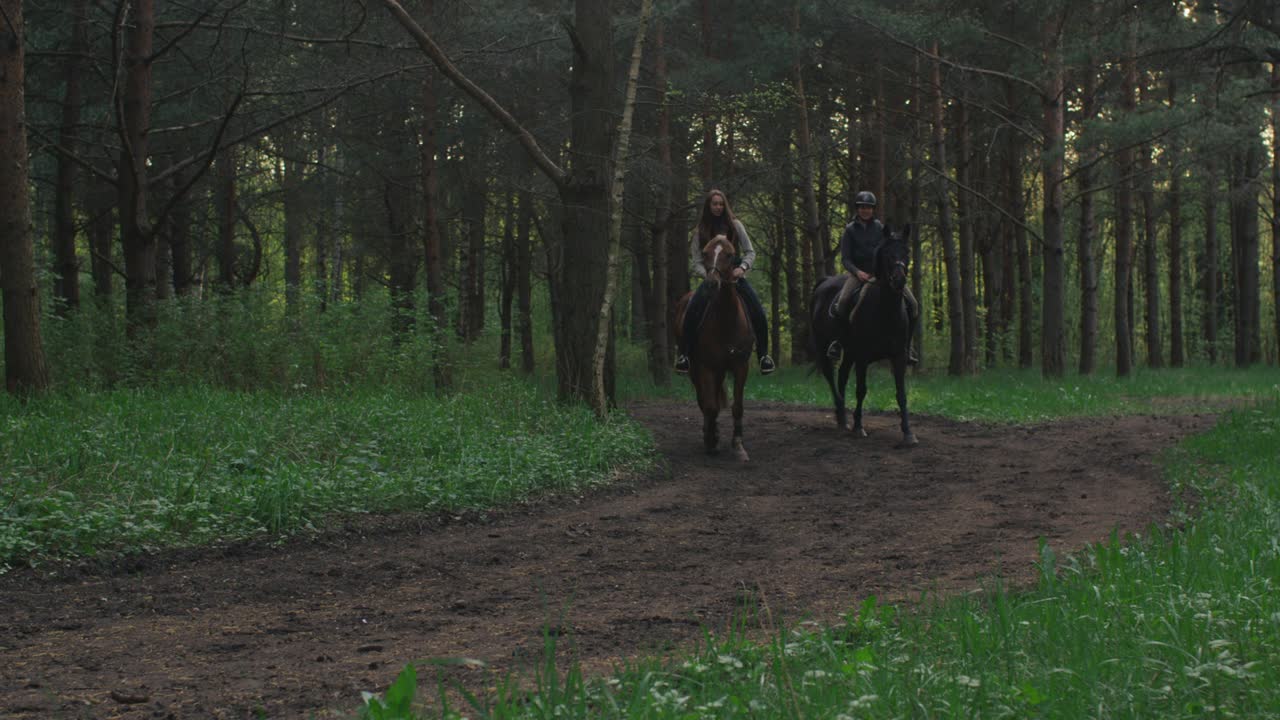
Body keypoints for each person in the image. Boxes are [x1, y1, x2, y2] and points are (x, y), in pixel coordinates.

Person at [674, 189, 776, 376]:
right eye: (715, 204)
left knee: (758, 311)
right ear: (708, 206)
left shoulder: (736, 225)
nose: (718, 207)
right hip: (711, 277)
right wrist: (707, 274)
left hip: (734, 276)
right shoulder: (700, 231)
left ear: (725, 205)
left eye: (721, 204)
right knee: (691, 311)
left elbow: (750, 251)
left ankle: (763, 356)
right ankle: (685, 356)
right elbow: (696, 260)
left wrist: (742, 268)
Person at [827, 190, 919, 364]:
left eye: (868, 208)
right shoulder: (850, 230)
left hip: (880, 274)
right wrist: (857, 272)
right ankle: (838, 342)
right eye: (862, 207)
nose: (865, 210)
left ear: (873, 210)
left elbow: (888, 250)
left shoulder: (879, 228)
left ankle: (907, 346)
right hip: (858, 274)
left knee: (913, 304)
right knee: (843, 301)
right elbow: (845, 258)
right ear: (857, 209)